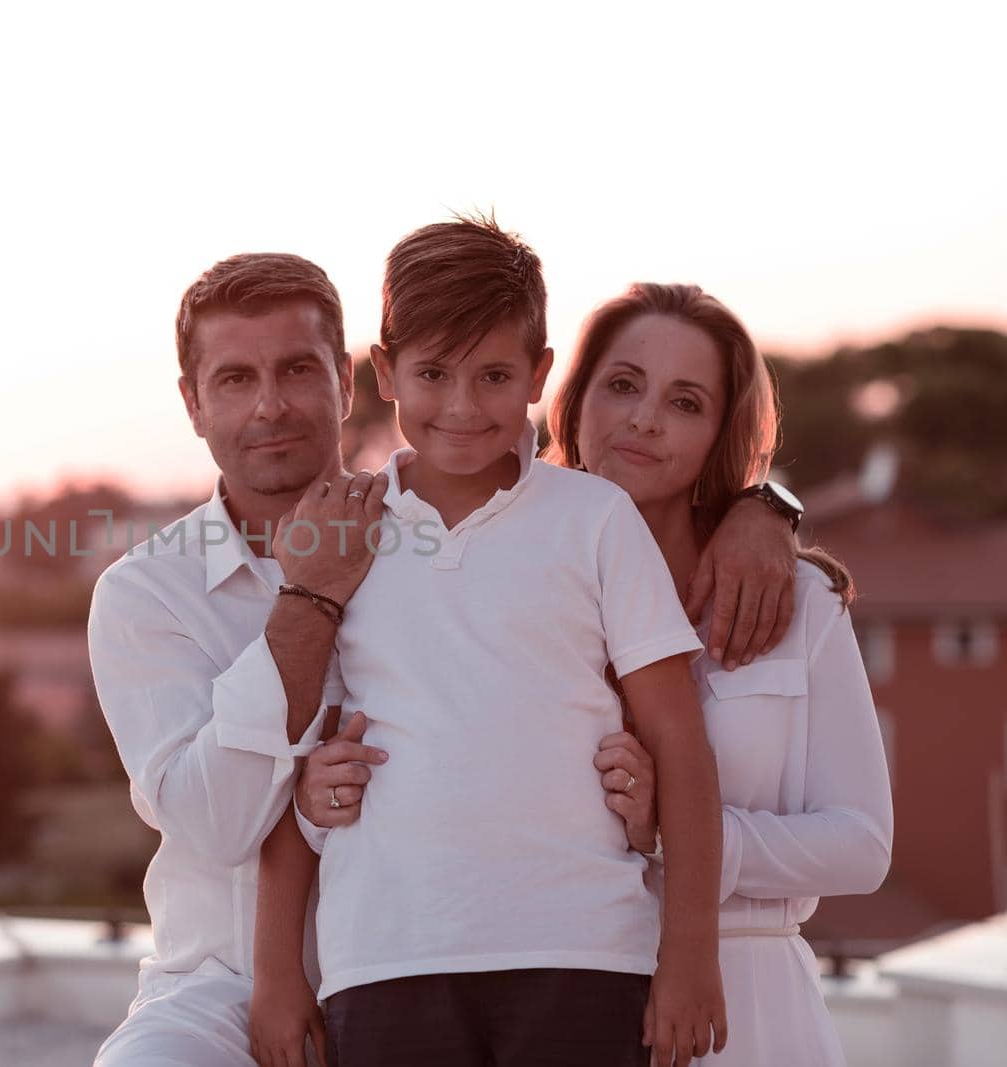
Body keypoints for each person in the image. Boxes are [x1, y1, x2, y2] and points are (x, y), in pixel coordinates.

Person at [89, 252, 796, 1067]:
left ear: (349, 381)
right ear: (193, 400)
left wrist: (766, 504)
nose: (271, 406)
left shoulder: (525, 516)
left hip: (547, 946)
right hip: (276, 974)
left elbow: (593, 531)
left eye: (297, 370)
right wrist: (310, 600)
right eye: (236, 379)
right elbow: (242, 812)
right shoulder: (155, 592)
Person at [252, 217, 727, 1067]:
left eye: (496, 374)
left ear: (541, 374)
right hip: (387, 957)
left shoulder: (595, 520)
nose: (464, 406)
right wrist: (277, 974)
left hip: (585, 950)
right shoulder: (336, 528)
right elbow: (294, 756)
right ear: (385, 369)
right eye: (433, 373)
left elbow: (680, 741)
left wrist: (690, 953)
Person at [547, 282, 893, 1066]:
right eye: (623, 385)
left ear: (718, 435)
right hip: (561, 989)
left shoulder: (796, 599)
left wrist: (683, 833)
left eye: (686, 402)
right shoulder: (517, 590)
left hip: (754, 1003)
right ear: (575, 403)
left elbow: (863, 844)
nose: (643, 419)